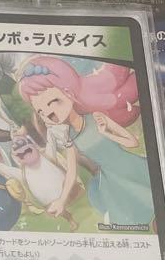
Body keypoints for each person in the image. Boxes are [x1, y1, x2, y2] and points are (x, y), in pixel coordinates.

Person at [17, 56, 153, 227]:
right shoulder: (70, 138)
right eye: (41, 112)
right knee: (131, 213)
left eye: (54, 102)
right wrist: (61, 201)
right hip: (112, 179)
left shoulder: (96, 117)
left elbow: (132, 143)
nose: (50, 114)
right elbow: (71, 173)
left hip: (131, 167)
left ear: (68, 93)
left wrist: (107, 133)